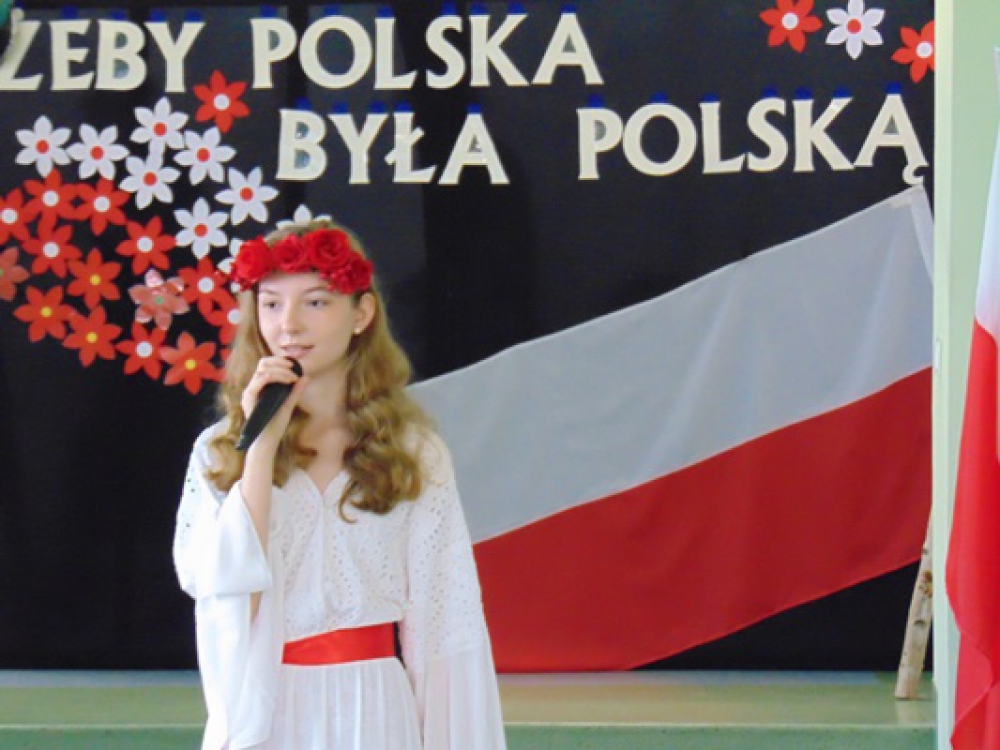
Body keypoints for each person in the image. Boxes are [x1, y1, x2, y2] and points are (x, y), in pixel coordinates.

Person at [172, 219, 507, 750]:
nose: (289, 325)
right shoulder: (219, 452)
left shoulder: (414, 453)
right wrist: (259, 448)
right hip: (269, 711)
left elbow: (447, 624)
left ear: (362, 314)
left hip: (376, 710)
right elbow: (229, 606)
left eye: (316, 302)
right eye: (271, 304)